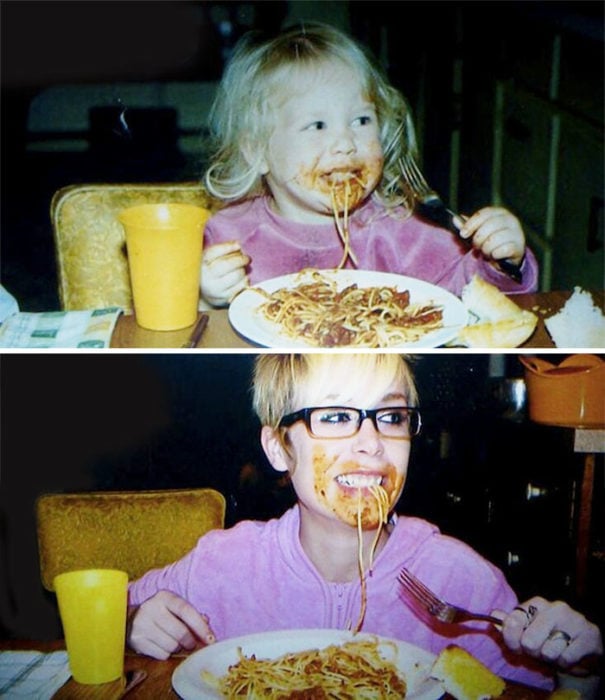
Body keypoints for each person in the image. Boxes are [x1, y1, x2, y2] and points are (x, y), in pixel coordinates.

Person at [127, 354, 602, 694]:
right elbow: (116, 611)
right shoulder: (223, 563)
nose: (372, 443)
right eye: (334, 416)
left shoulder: (462, 582)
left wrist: (578, 673)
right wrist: (134, 622)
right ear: (277, 448)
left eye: (391, 416)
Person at [198, 23, 539, 308]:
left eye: (361, 120)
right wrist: (206, 297)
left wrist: (502, 262)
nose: (346, 143)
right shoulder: (229, 238)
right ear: (257, 150)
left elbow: (473, 300)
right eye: (317, 126)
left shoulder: (402, 233)